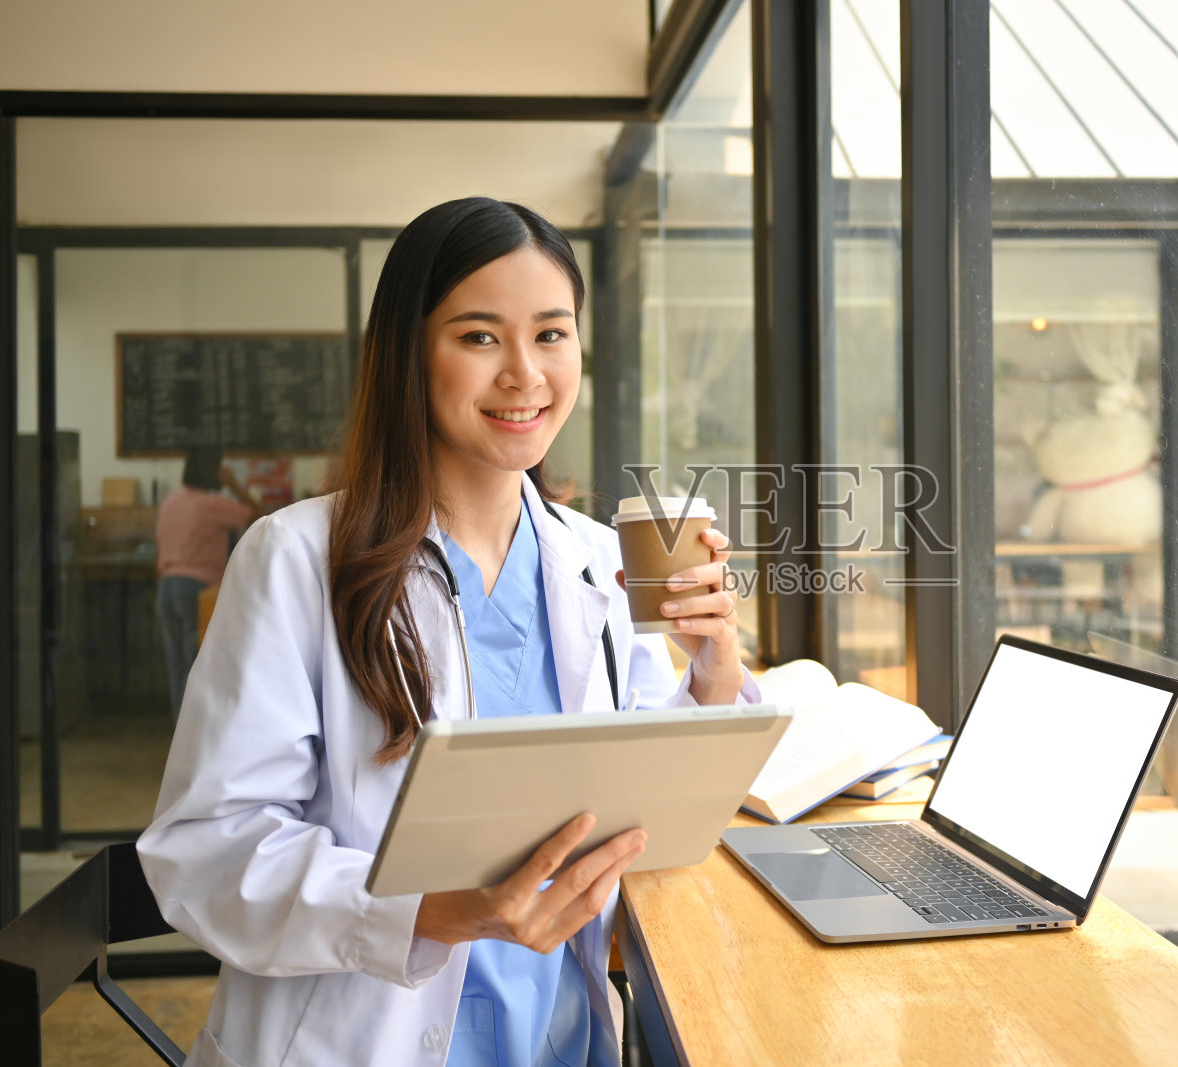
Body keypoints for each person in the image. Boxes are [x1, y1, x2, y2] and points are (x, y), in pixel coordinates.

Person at [138, 197, 756, 1067]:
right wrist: (439, 910)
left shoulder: (597, 562)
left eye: (551, 334)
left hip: (561, 1038)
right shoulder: (293, 559)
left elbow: (649, 806)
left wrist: (716, 671)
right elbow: (205, 854)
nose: (525, 375)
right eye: (478, 337)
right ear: (408, 354)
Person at [153, 446, 264, 719]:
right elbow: (258, 517)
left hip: (166, 587)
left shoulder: (170, 502)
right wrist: (234, 483)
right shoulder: (212, 504)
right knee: (196, 665)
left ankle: (179, 727)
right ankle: (193, 730)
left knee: (176, 664)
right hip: (196, 589)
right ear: (212, 470)